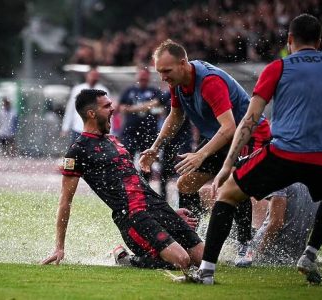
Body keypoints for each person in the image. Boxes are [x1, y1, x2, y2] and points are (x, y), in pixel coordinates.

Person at [199, 14, 322, 285]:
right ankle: (310, 253)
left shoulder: (277, 67)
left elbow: (250, 119)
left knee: (227, 194)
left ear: (290, 40)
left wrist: (228, 164)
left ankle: (206, 271)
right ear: (320, 41)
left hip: (284, 154)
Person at [42, 89, 204, 280]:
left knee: (203, 259)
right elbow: (65, 201)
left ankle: (160, 244)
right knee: (182, 261)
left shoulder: (113, 140)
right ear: (91, 114)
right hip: (132, 217)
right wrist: (59, 247)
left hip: (155, 207)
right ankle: (126, 259)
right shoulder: (78, 151)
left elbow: (137, 184)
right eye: (107, 106)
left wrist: (168, 213)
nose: (113, 109)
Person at [139, 39, 271, 267]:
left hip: (250, 134)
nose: (163, 77)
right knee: (185, 183)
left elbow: (230, 127)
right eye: (159, 71)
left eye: (167, 71)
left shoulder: (209, 82)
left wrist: (200, 154)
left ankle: (245, 244)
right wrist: (155, 147)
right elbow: (176, 115)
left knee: (234, 186)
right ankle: (191, 239)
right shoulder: (177, 81)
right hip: (223, 136)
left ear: (183, 63)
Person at [252, 183, 322, 266]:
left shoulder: (280, 181)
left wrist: (258, 254)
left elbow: (276, 223)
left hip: (268, 251)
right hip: (296, 256)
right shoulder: (320, 186)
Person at [118, 67, 165, 181]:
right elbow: (121, 108)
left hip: (149, 132)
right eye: (141, 76)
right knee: (127, 160)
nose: (143, 78)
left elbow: (160, 108)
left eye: (145, 76)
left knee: (146, 163)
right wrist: (146, 106)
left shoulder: (155, 91)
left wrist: (133, 108)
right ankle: (128, 185)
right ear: (137, 76)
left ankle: (145, 188)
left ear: (148, 77)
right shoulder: (129, 91)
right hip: (130, 132)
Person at [61, 66, 109, 143]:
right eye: (92, 75)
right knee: (76, 153)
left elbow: (107, 112)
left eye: (96, 76)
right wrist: (65, 127)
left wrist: (109, 130)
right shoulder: (78, 89)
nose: (94, 78)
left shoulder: (103, 90)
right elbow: (70, 109)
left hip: (96, 130)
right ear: (87, 75)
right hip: (78, 128)